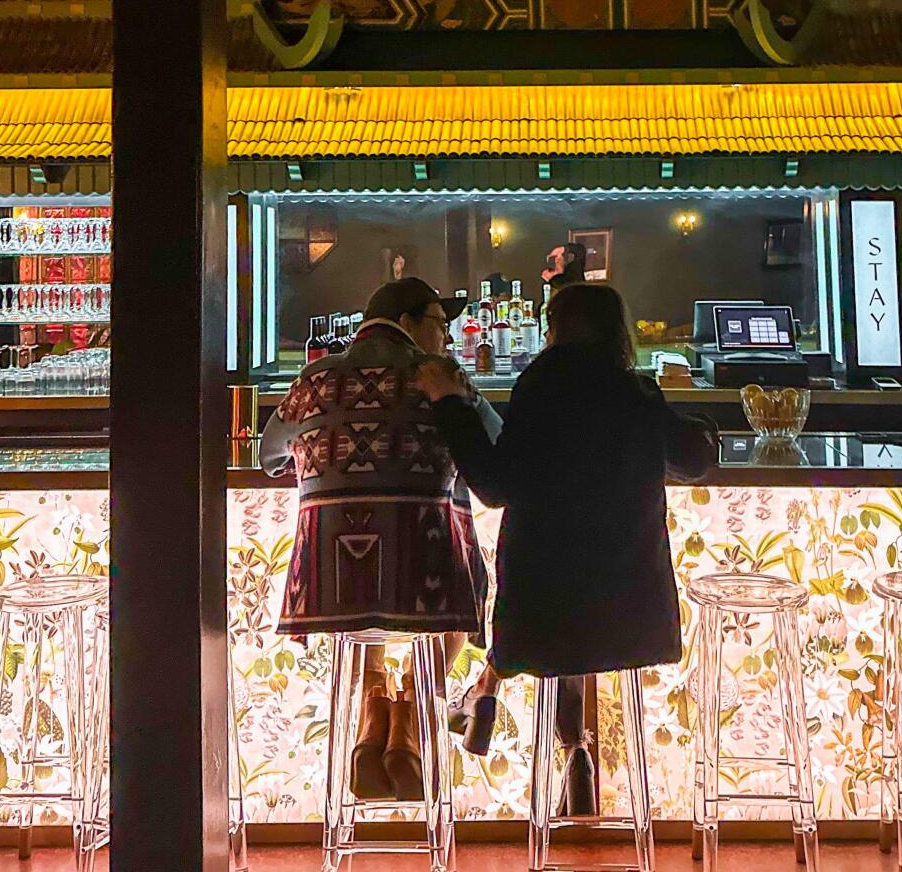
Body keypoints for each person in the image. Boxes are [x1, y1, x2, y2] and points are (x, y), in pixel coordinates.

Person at [417, 281, 718, 814]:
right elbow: (693, 456)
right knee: (581, 620)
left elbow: (491, 485)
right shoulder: (637, 393)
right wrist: (702, 427)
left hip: (540, 608)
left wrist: (448, 405)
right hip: (628, 610)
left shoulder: (539, 390)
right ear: (617, 334)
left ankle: (496, 694)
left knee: (558, 620)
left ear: (552, 329)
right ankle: (571, 747)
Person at [261, 276, 498, 802]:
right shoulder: (443, 375)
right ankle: (409, 714)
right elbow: (500, 446)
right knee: (460, 551)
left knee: (364, 600)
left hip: (326, 579)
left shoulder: (315, 376)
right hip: (427, 578)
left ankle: (372, 714)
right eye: (440, 323)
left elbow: (268, 456)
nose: (447, 333)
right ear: (409, 324)